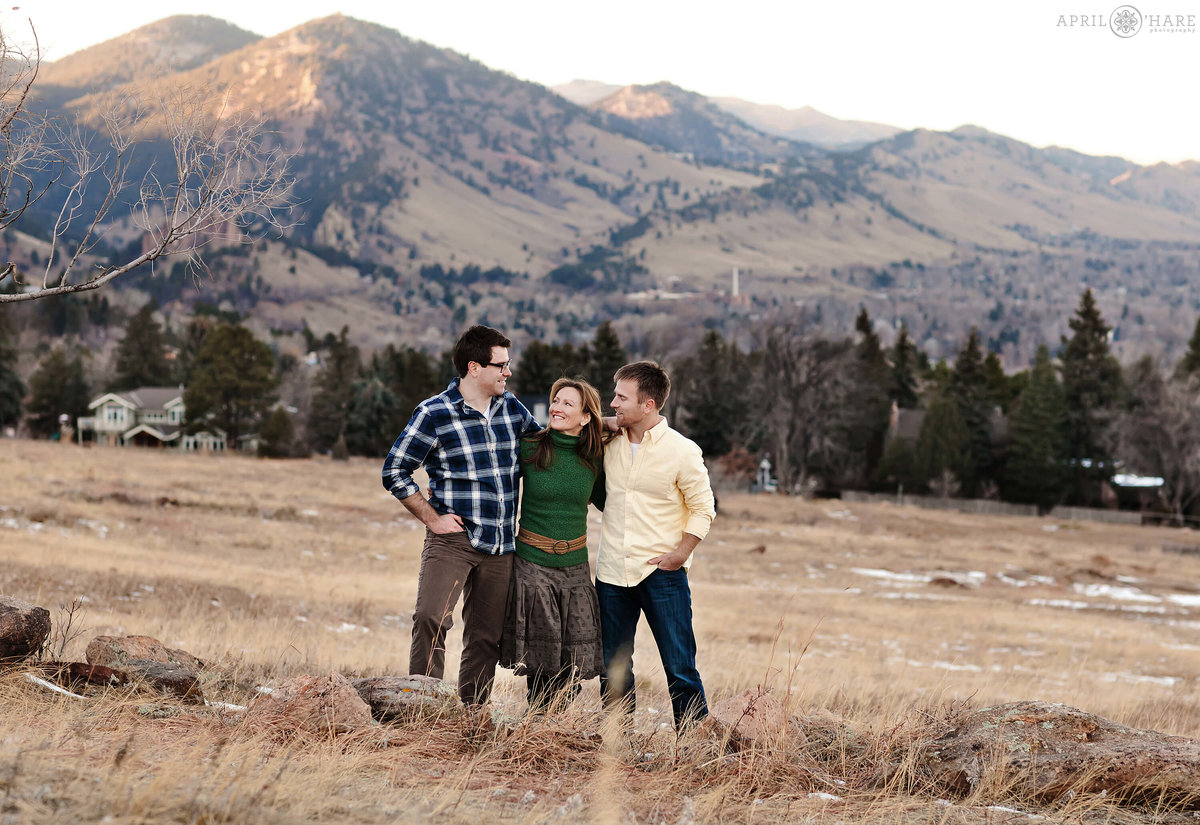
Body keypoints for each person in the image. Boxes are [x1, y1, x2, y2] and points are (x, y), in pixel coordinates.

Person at [381, 325, 538, 708]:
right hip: (453, 539)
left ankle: (472, 715)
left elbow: (550, 446)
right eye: (500, 365)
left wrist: (602, 424)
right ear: (473, 367)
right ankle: (421, 708)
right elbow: (395, 470)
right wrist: (432, 518)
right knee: (431, 619)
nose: (508, 372)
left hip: (501, 543)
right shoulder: (434, 413)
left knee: (485, 636)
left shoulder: (511, 408)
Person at [596, 360, 716, 731]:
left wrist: (680, 554)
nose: (612, 403)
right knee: (613, 665)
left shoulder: (682, 451)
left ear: (648, 405)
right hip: (613, 571)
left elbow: (703, 508)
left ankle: (695, 741)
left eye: (621, 397)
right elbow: (583, 423)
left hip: (662, 574)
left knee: (680, 663)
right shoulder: (608, 441)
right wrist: (602, 422)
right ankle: (617, 737)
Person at [500, 377, 607, 713]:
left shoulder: (595, 456)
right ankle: (537, 724)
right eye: (556, 400)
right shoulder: (531, 447)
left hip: (575, 568)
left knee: (572, 659)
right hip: (532, 562)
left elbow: (611, 501)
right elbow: (492, 476)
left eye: (567, 404)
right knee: (542, 658)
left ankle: (554, 726)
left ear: (586, 417)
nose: (557, 408)